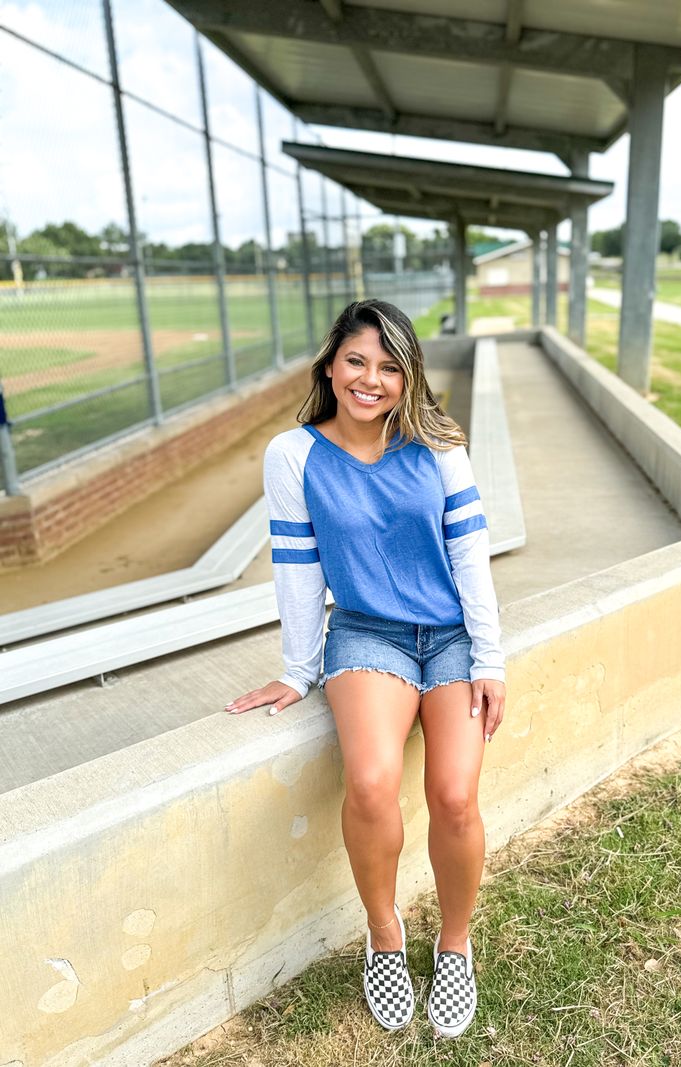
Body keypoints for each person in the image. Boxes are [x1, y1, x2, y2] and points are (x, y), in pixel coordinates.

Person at [225, 298, 505, 1038]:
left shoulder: (437, 443)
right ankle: (386, 935)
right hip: (366, 635)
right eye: (356, 360)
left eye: (389, 366)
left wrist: (490, 657)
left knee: (453, 795)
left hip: (448, 637)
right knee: (374, 781)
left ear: (408, 374)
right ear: (330, 365)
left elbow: (471, 554)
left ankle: (454, 942)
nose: (371, 379)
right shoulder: (294, 456)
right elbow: (298, 567)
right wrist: (297, 668)